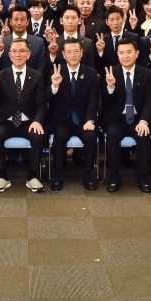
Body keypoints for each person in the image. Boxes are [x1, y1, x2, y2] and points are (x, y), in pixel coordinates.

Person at [0, 38, 47, 193]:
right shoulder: (0, 75)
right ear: (9, 55)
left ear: (28, 54)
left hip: (28, 122)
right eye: (14, 51)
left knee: (38, 136)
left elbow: (41, 103)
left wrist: (38, 121)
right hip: (6, 121)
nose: (18, 54)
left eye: (22, 51)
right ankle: (2, 176)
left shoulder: (37, 76)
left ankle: (32, 176)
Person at [45, 38, 100, 191]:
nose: (73, 55)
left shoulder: (91, 73)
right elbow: (47, 98)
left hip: (83, 120)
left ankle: (88, 175)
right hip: (63, 120)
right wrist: (54, 86)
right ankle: (58, 175)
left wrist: (90, 120)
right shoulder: (55, 72)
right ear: (63, 54)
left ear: (82, 53)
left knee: (91, 137)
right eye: (69, 52)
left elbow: (93, 100)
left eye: (76, 51)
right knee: (59, 138)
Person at [101, 37, 151, 193]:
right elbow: (104, 103)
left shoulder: (146, 73)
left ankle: (143, 177)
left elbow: (149, 101)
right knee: (112, 135)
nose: (125, 56)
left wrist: (144, 121)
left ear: (136, 54)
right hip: (117, 118)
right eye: (121, 53)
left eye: (129, 52)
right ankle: (114, 177)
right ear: (117, 55)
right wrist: (110, 87)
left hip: (138, 118)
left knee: (143, 135)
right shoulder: (111, 72)